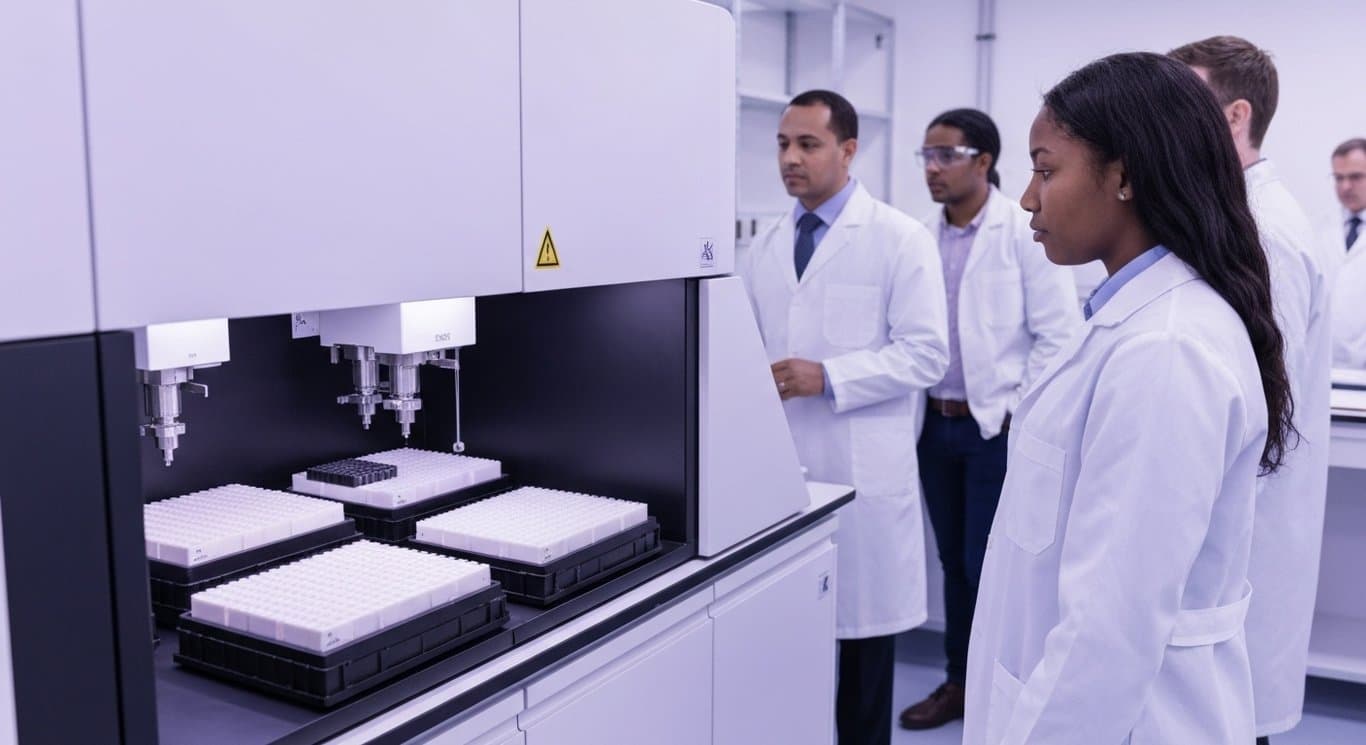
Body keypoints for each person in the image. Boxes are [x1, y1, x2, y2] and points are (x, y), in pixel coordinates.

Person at [961, 52, 1295, 745]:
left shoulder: (1166, 350)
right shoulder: (1131, 321)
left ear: (1124, 176)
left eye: (1046, 170)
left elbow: (1107, 630)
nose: (1027, 199)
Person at [738, 89, 949, 745]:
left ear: (848, 150)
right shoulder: (765, 246)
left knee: (862, 665)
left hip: (862, 480)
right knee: (787, 658)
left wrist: (829, 376)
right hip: (784, 476)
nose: (790, 158)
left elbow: (927, 354)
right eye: (783, 144)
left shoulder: (899, 238)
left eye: (808, 144)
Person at [1171, 36, 1332, 745]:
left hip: (1243, 535)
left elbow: (1267, 405)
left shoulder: (1264, 230)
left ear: (1236, 116)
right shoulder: (1229, 214)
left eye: (1185, 103)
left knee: (1229, 714)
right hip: (1220, 536)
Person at [897, 108, 1079, 731]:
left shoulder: (1020, 231)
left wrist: (1012, 412)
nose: (932, 167)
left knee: (990, 567)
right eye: (926, 155)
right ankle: (960, 683)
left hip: (992, 431)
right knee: (953, 563)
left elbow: (1058, 334)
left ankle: (996, 692)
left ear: (983, 161)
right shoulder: (919, 238)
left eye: (946, 155)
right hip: (932, 424)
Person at [1326, 139, 1366, 366]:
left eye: (1356, 177)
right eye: (1339, 178)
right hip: (1328, 368)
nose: (1345, 187)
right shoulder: (1319, 229)